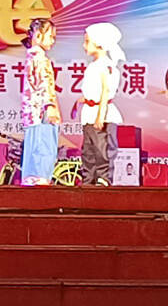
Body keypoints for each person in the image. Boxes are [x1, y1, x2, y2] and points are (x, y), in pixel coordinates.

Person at [75, 23, 126, 185]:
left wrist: (100, 116)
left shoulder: (106, 65)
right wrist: (84, 99)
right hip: (90, 113)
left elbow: (105, 90)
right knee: (88, 151)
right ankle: (88, 181)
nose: (84, 46)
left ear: (99, 43)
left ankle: (103, 181)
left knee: (102, 151)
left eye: (87, 41)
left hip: (101, 114)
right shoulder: (94, 65)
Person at [18, 18, 64, 186]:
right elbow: (45, 84)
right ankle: (40, 180)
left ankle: (32, 179)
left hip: (33, 112)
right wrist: (50, 106)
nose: (52, 41)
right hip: (42, 111)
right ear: (38, 35)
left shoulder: (31, 56)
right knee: (43, 147)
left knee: (34, 147)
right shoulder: (40, 58)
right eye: (50, 36)